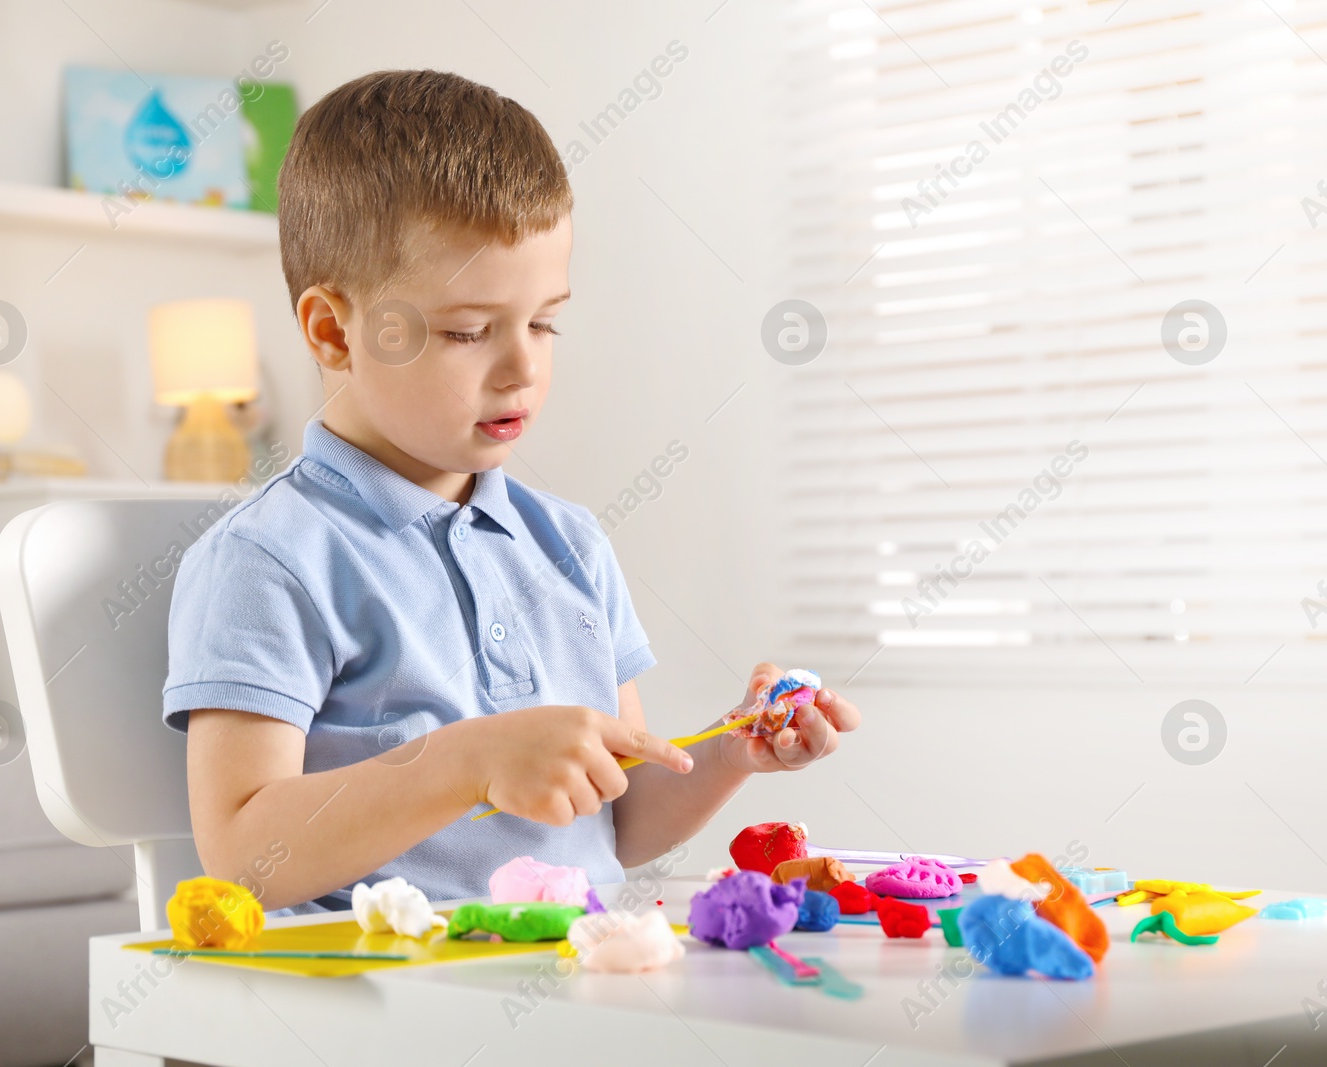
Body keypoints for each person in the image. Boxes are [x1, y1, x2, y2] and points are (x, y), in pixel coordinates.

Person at [163, 70, 860, 911]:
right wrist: (466, 762)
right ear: (332, 330)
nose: (523, 366)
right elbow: (241, 853)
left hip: (578, 978)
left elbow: (621, 822)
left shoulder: (570, 545)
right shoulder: (271, 559)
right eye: (467, 330)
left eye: (543, 321)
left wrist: (728, 751)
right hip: (383, 1000)